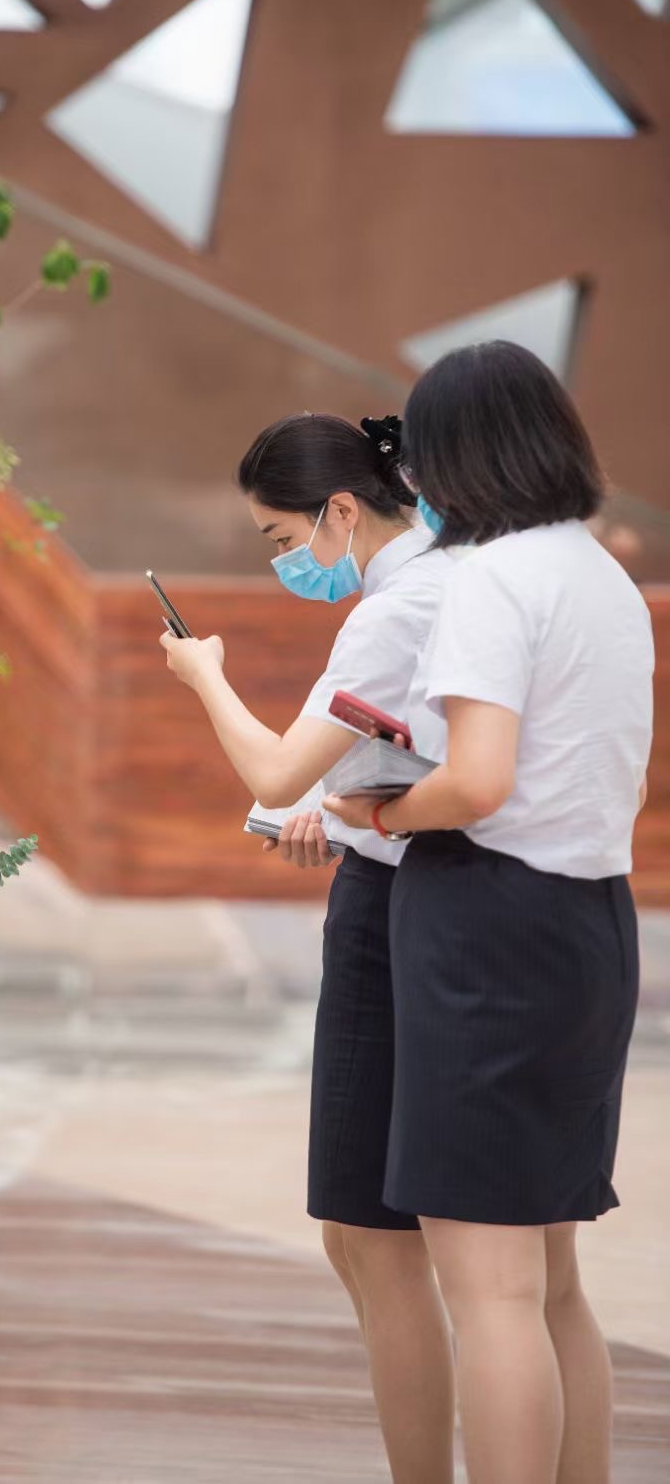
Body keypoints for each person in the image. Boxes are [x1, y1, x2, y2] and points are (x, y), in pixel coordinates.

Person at [324, 342, 654, 1484]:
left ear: (452, 459)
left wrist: (378, 804)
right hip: (592, 923)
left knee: (492, 1291)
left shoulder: (491, 578)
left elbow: (477, 780)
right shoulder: (605, 577)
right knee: (553, 1277)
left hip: (486, 928)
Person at [160, 412, 456, 1484]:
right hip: (417, 890)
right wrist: (345, 807)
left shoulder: (398, 604)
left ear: (343, 509)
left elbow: (277, 770)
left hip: (395, 918)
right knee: (390, 1242)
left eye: (284, 536)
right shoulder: (450, 577)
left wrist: (204, 675)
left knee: (378, 1240)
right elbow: (407, 755)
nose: (287, 560)